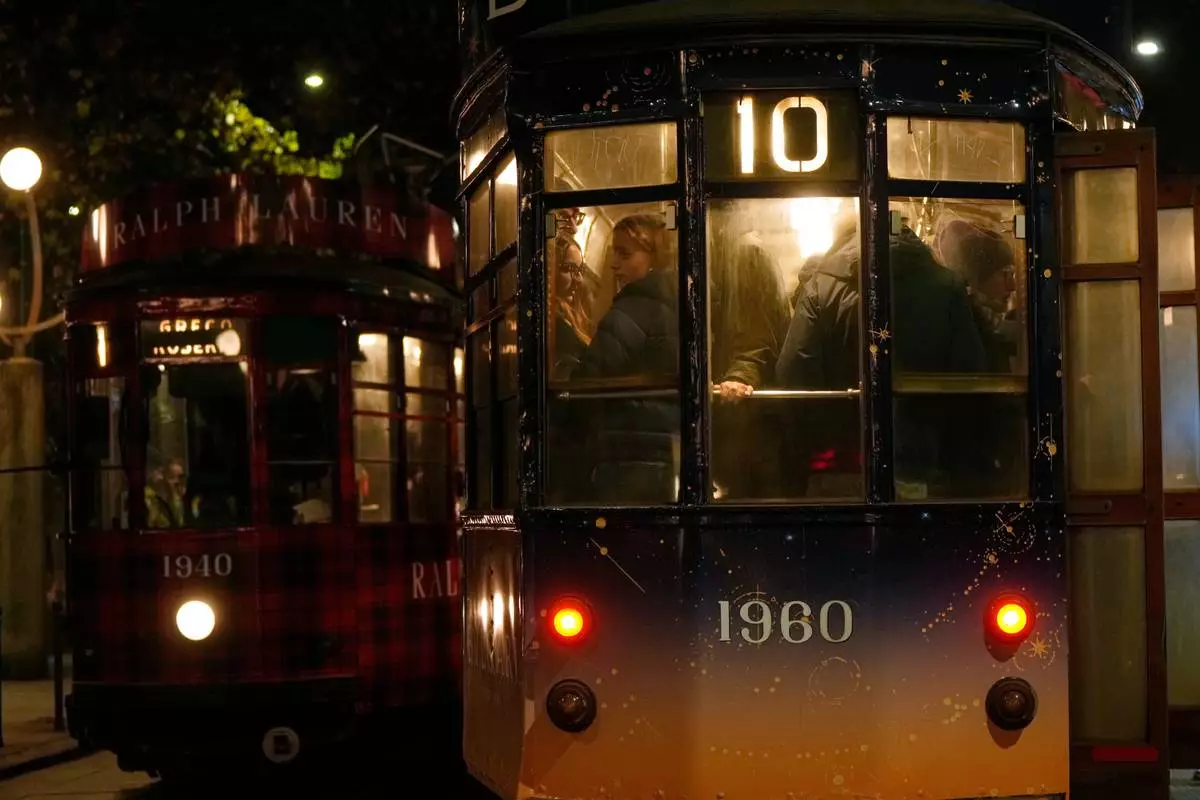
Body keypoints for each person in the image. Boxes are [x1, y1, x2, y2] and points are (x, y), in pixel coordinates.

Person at [569, 212, 679, 503]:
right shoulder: (680, 306)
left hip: (626, 453)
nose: (615, 263)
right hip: (665, 453)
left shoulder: (632, 311)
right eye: (613, 252)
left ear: (653, 257)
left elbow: (588, 382)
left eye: (625, 254)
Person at [936, 219, 1020, 373]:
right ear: (978, 280)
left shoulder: (979, 320)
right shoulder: (969, 328)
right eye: (1004, 274)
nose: (1012, 285)